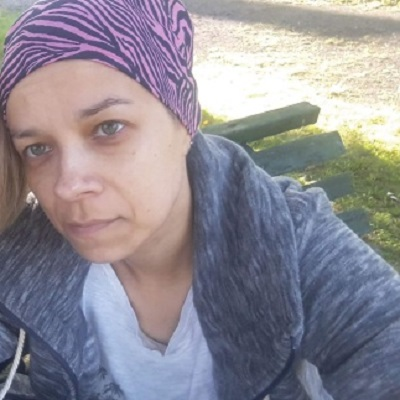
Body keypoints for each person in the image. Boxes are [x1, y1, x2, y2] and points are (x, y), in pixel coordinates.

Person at [0, 0, 400, 399]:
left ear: (184, 117)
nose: (68, 185)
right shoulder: (25, 256)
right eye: (38, 148)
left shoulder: (289, 239)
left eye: (109, 128)